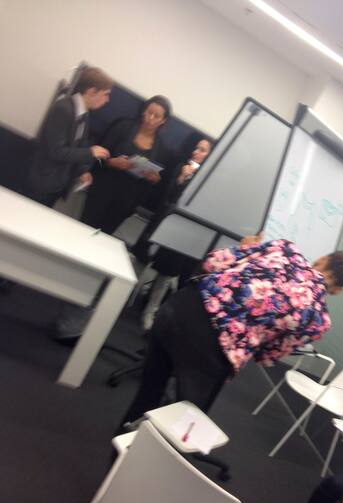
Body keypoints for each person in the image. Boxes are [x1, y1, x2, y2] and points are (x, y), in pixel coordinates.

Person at [117, 238, 343, 433]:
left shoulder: (283, 248)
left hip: (180, 309)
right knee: (184, 421)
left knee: (148, 392)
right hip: (212, 350)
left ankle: (120, 447)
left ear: (320, 260)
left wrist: (243, 250)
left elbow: (212, 263)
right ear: (338, 290)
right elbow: (268, 356)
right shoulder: (318, 319)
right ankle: (146, 466)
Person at [140, 137, 214, 331]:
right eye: (196, 148)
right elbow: (167, 196)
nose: (196, 152)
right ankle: (127, 298)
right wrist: (182, 178)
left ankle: (151, 311)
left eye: (202, 150)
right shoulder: (182, 168)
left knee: (168, 273)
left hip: (185, 232)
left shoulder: (211, 179)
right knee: (143, 259)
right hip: (163, 223)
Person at [81, 95, 174, 234]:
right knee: (84, 230)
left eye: (156, 116)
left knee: (105, 237)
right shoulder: (124, 126)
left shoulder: (161, 148)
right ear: (144, 110)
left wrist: (154, 179)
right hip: (102, 190)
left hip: (126, 202)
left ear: (163, 120)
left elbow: (156, 184)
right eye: (149, 112)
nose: (150, 118)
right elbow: (97, 153)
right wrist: (111, 162)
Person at [26, 66, 112, 207]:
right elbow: (56, 151)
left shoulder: (84, 113)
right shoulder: (63, 109)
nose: (107, 100)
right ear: (91, 91)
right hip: (41, 183)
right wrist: (90, 152)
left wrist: (81, 171)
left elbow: (77, 146)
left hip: (58, 183)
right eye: (106, 94)